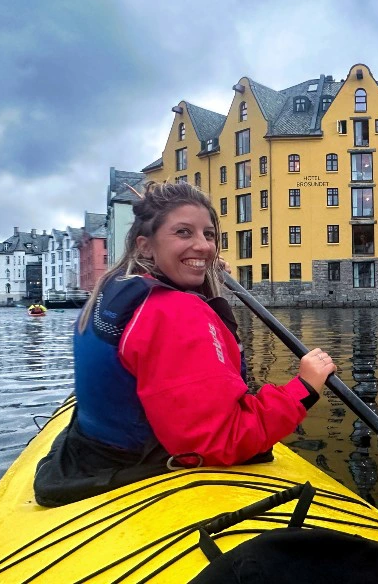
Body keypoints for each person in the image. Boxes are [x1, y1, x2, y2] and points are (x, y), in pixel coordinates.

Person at [34, 182, 336, 507]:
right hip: (134, 464)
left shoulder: (114, 285)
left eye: (209, 235)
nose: (204, 246)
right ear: (145, 246)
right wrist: (304, 388)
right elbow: (220, 440)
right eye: (183, 232)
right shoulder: (175, 313)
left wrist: (199, 268)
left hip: (89, 455)